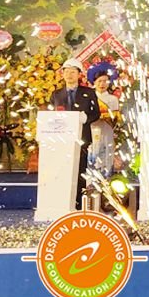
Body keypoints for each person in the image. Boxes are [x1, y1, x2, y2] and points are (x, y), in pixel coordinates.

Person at [49, 58, 101, 209]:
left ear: (79, 74)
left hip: (82, 137)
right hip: (61, 139)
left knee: (80, 170)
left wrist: (86, 118)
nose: (69, 75)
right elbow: (51, 115)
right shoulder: (56, 94)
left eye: (73, 72)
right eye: (66, 72)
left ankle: (78, 202)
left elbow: (96, 113)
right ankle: (61, 201)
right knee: (62, 169)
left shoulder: (88, 93)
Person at [86, 62, 120, 179]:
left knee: (106, 155)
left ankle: (106, 180)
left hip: (107, 131)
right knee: (92, 154)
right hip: (92, 131)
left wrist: (105, 116)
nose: (102, 84)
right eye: (99, 81)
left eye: (105, 81)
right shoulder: (89, 97)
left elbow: (115, 118)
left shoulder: (113, 99)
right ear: (94, 82)